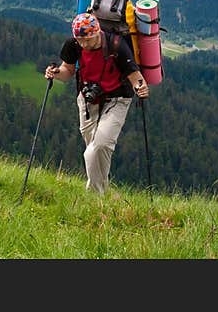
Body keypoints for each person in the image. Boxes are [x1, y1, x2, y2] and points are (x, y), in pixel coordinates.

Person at [44, 12, 149, 194]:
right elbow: (67, 71)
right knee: (95, 149)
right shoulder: (74, 45)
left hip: (117, 99)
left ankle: (95, 196)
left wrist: (141, 88)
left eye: (88, 39)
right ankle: (102, 193)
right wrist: (54, 73)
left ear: (97, 32)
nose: (84, 44)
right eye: (80, 39)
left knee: (99, 146)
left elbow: (135, 77)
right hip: (87, 98)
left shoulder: (116, 45)